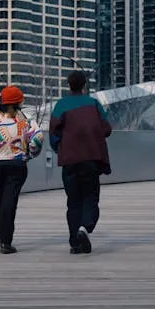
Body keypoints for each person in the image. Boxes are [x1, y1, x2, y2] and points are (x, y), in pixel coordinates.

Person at [0, 85, 44, 254]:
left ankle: (2, 236)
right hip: (17, 165)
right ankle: (5, 240)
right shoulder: (26, 119)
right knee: (9, 201)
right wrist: (29, 154)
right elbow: (38, 137)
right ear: (17, 102)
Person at [48, 71, 112, 254]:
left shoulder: (61, 105)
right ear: (84, 85)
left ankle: (75, 243)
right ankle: (84, 227)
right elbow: (106, 129)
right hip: (91, 158)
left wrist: (61, 147)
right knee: (90, 197)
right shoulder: (94, 104)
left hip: (69, 160)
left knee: (73, 200)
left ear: (69, 85)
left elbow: (53, 132)